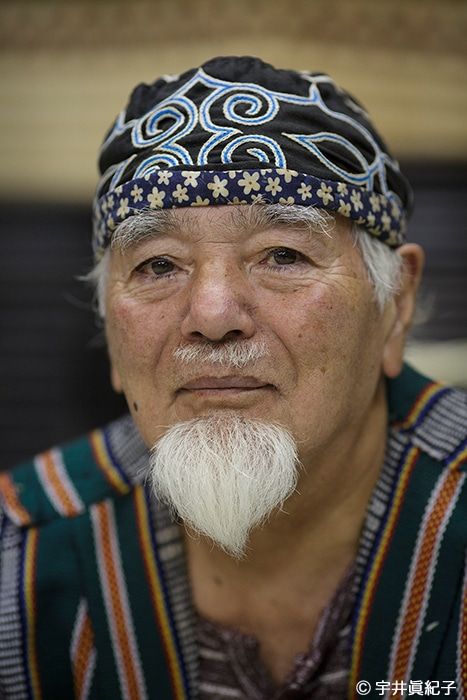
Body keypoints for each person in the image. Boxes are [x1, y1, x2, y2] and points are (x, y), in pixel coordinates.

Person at [0, 55, 465, 700]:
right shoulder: (21, 555)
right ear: (110, 330)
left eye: (283, 255)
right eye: (159, 265)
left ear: (396, 307)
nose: (213, 317)